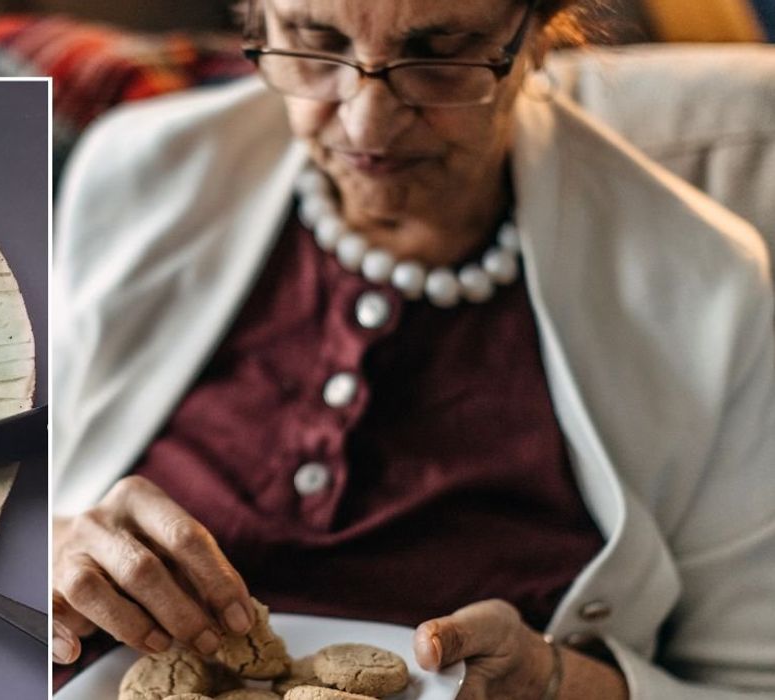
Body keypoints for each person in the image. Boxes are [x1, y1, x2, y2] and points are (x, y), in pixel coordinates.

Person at [50, 0, 775, 697]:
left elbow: (749, 682)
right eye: (315, 41)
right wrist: (43, 550)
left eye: (437, 56)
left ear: (538, 31)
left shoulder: (706, 286)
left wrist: (557, 686)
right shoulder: (136, 169)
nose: (367, 123)